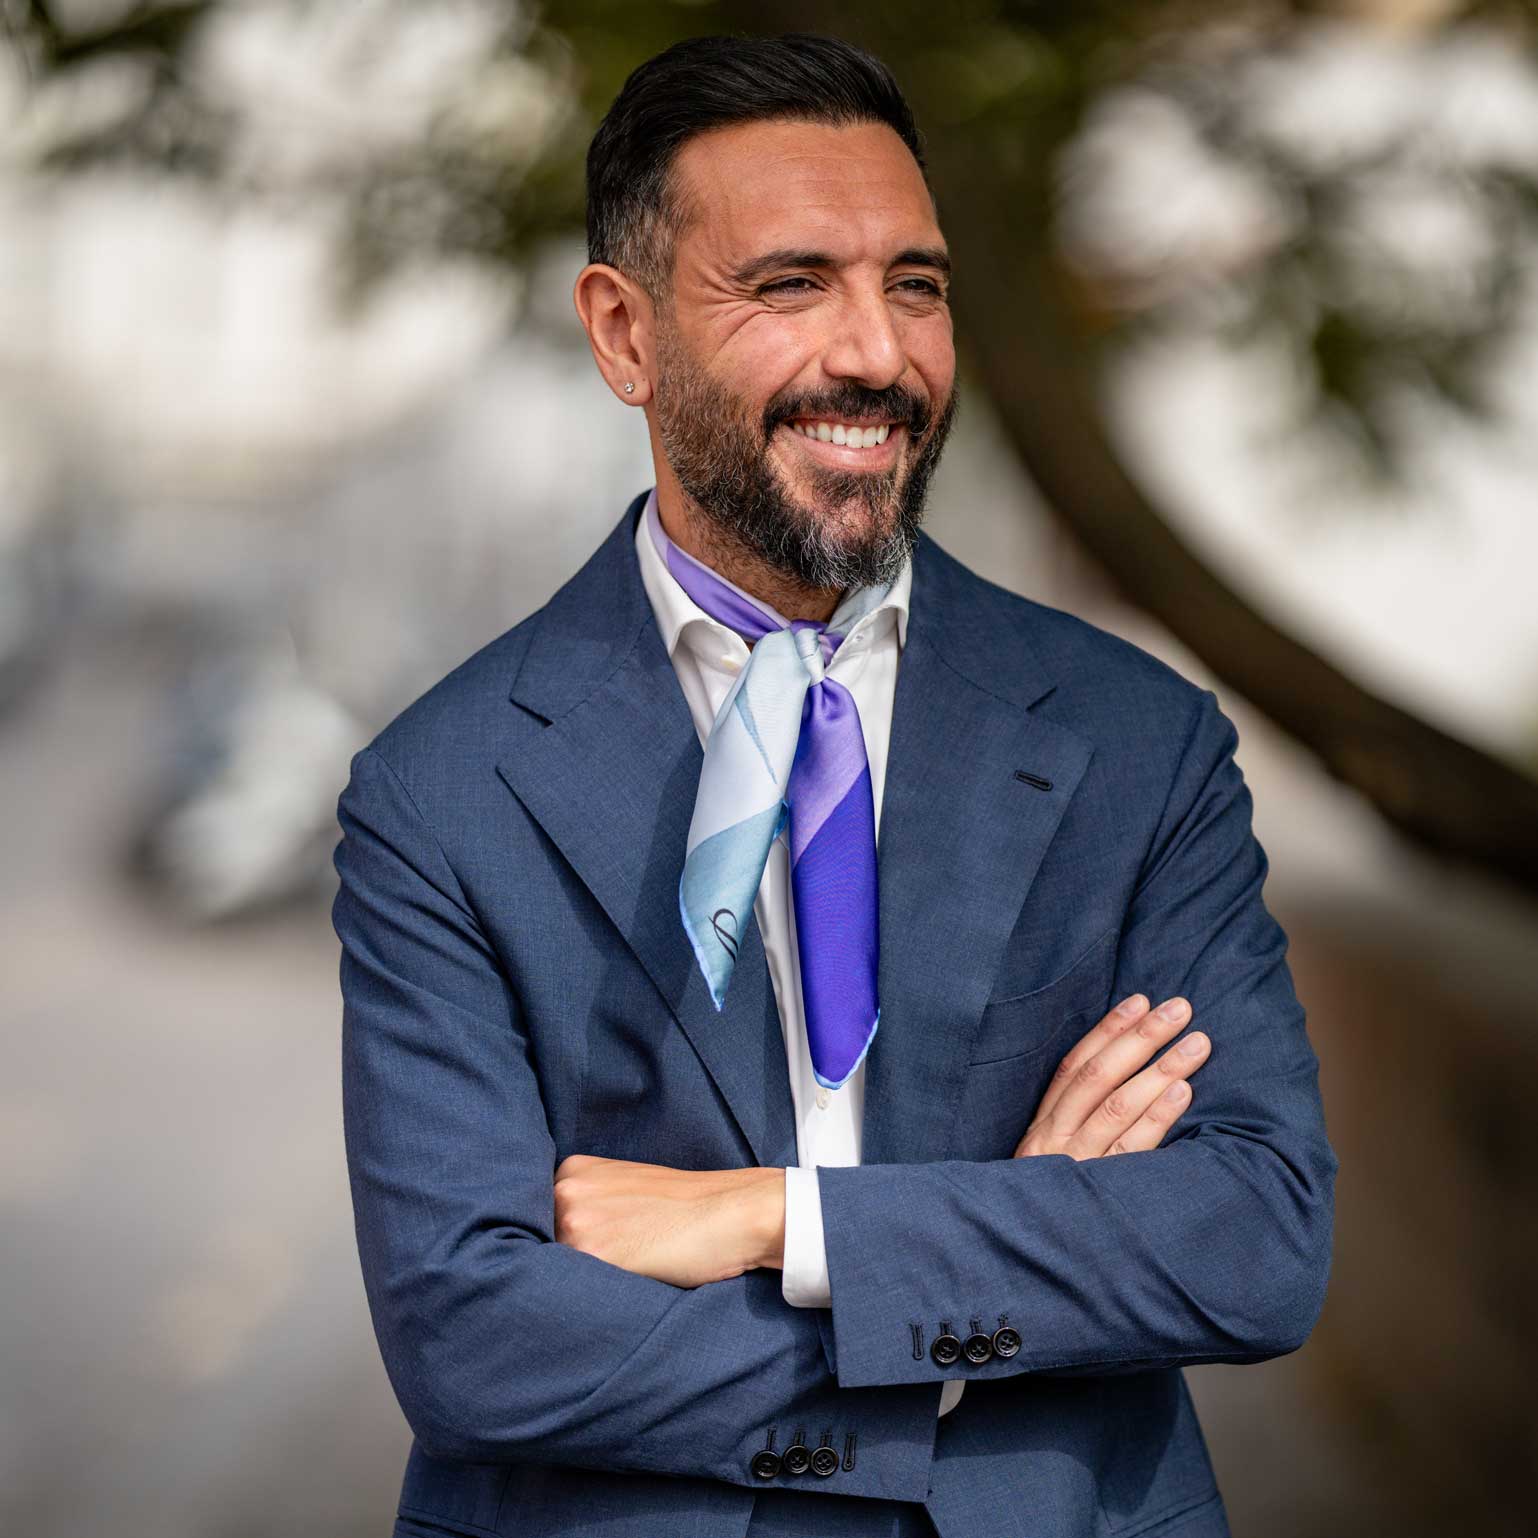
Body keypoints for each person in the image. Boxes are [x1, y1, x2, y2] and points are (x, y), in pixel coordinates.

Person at [332, 32, 1336, 1538]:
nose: (874, 351)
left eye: (914, 284)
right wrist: (986, 1294)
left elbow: (1256, 1239)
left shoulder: (1140, 742)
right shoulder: (441, 792)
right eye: (791, 284)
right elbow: (472, 1340)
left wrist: (778, 1222)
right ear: (624, 333)